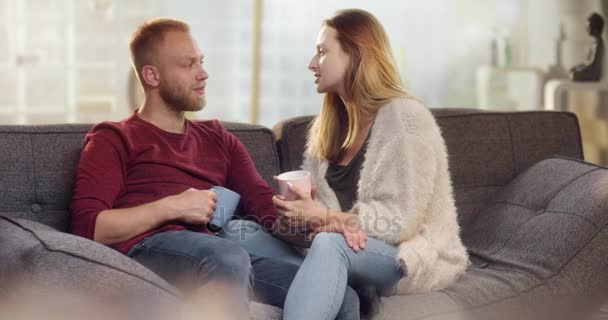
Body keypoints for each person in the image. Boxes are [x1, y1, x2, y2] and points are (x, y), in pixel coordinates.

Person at [69, 18, 359, 319]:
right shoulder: (114, 138)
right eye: (188, 65)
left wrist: (310, 220)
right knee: (227, 255)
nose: (203, 74)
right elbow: (88, 228)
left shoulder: (219, 139)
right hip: (148, 252)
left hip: (218, 254)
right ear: (152, 75)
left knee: (341, 296)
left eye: (202, 62)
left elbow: (264, 206)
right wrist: (172, 206)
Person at [271, 9, 470, 320]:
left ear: (355, 55)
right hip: (347, 247)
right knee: (244, 230)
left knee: (329, 245)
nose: (312, 63)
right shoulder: (327, 128)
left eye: (323, 52)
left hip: (411, 255)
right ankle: (345, 295)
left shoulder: (405, 117)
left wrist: (330, 219)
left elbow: (403, 222)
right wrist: (300, 215)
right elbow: (324, 220)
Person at [570, 12, 605, 82]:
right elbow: (587, 62)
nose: (586, 28)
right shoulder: (594, 43)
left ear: (595, 27)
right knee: (572, 72)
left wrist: (580, 70)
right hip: (590, 70)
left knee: (574, 75)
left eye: (588, 26)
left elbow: (593, 64)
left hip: (594, 74)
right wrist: (577, 67)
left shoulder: (598, 44)